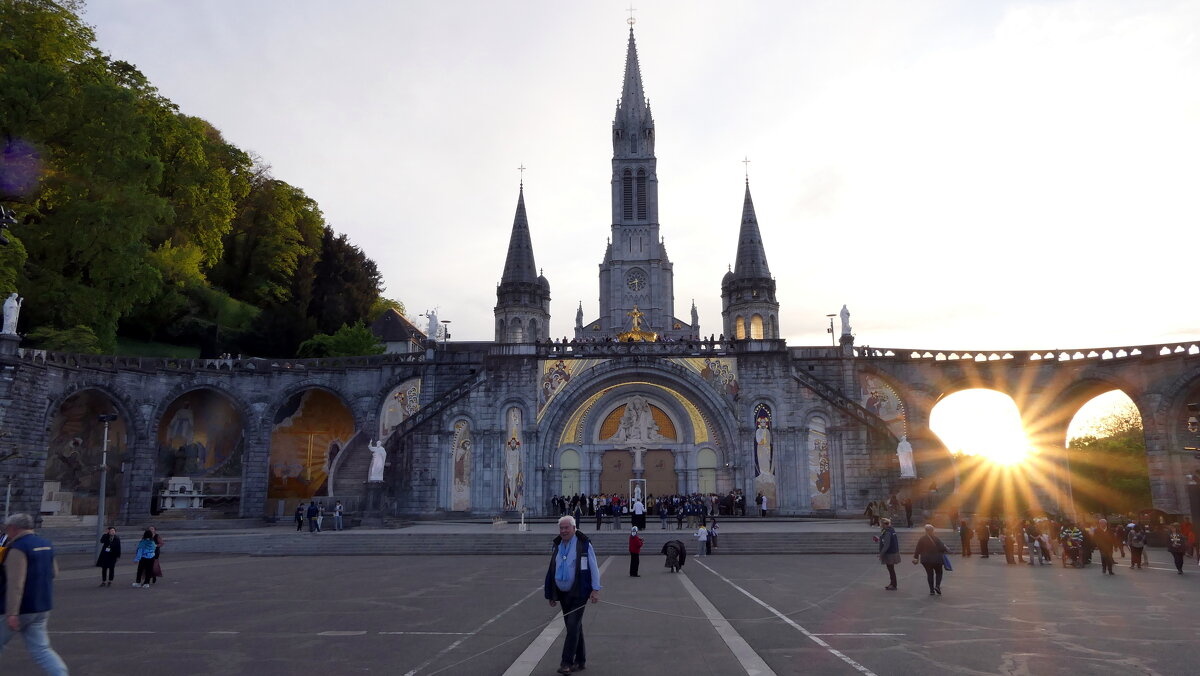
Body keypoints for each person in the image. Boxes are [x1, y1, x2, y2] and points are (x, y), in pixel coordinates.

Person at [0, 514, 69, 675]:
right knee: (42, 649)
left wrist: (12, 613)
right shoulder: (46, 544)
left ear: (13, 528)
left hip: (19, 608)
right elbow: (54, 572)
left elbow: (15, 583)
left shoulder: (18, 548)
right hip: (41, 606)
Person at [544, 516, 601, 675]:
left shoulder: (583, 544)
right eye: (561, 528)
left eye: (566, 528)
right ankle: (581, 660)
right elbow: (552, 568)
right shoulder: (557, 545)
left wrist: (595, 589)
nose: (563, 531)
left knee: (572, 626)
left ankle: (566, 662)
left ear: (574, 528)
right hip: (563, 593)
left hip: (579, 592)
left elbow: (593, 566)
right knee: (575, 626)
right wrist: (551, 593)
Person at [913, 524, 949, 595]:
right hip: (937, 560)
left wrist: (916, 558)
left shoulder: (922, 539)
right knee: (939, 572)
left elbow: (917, 549)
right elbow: (942, 548)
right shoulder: (936, 538)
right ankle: (937, 586)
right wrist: (946, 548)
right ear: (932, 531)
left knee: (930, 574)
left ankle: (931, 590)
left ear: (925, 531)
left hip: (926, 560)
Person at [877, 517, 900, 591]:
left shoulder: (887, 532)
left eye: (881, 524)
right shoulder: (891, 530)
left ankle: (893, 585)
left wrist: (881, 554)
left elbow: (886, 544)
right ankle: (892, 584)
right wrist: (879, 539)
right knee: (891, 569)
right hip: (893, 552)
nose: (880, 525)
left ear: (884, 524)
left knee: (891, 569)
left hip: (890, 553)